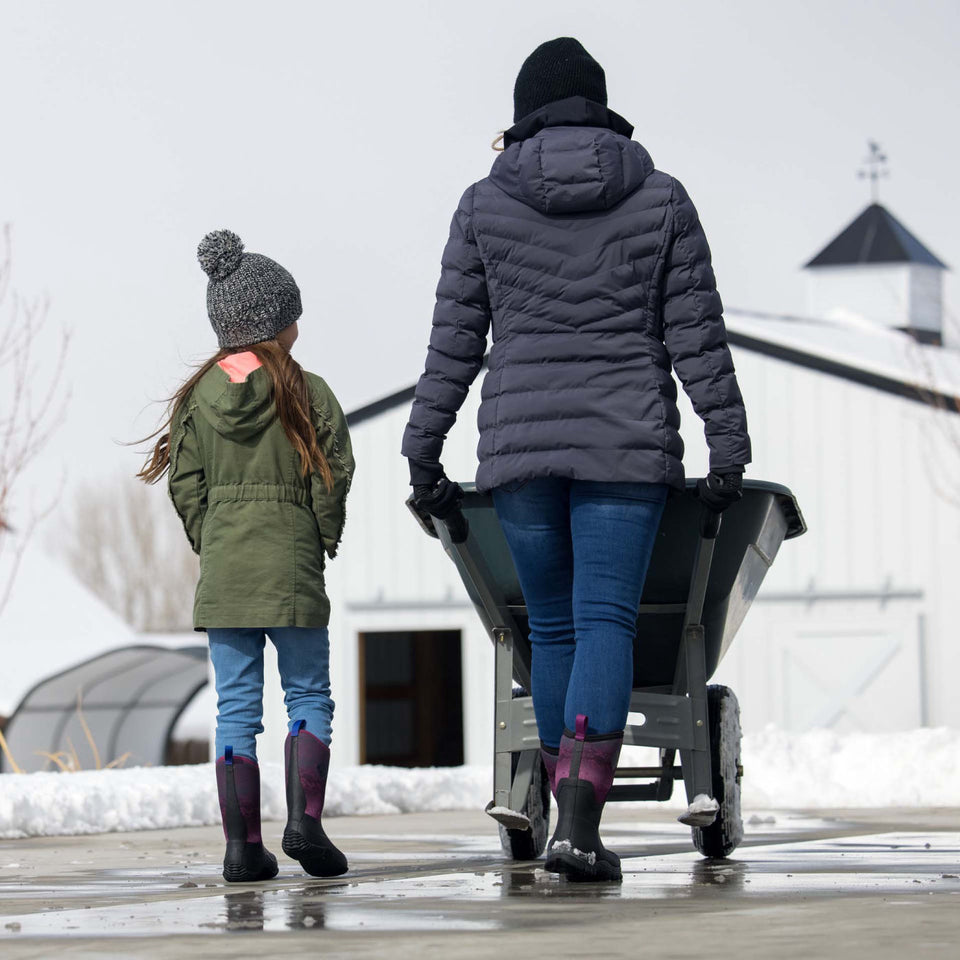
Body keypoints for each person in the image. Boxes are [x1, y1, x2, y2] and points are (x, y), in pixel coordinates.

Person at [402, 38, 751, 882]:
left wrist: (423, 445)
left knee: (552, 626)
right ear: (601, 108)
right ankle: (580, 828)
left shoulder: (484, 205)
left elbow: (455, 340)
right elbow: (695, 334)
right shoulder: (661, 198)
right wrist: (727, 438)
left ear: (522, 117)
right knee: (605, 622)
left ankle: (564, 813)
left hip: (519, 450)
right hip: (624, 447)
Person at [139, 229, 354, 883]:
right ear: (272, 322)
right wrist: (321, 536)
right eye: (292, 316)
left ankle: (241, 848)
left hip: (227, 572)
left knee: (235, 707)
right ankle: (305, 824)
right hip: (291, 568)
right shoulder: (306, 388)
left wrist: (215, 538)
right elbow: (334, 473)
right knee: (308, 695)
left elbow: (185, 485)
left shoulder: (197, 398)